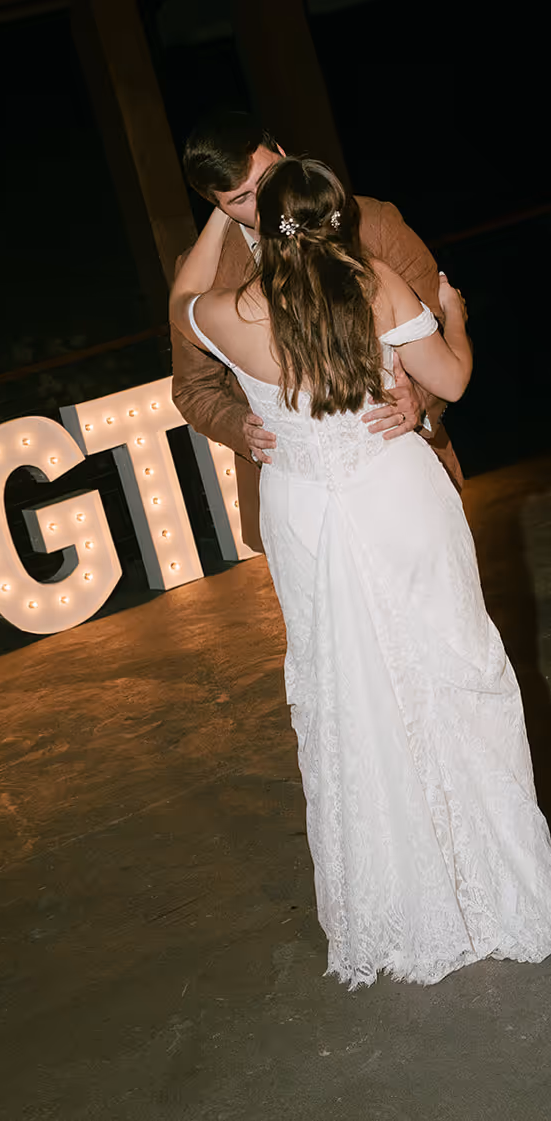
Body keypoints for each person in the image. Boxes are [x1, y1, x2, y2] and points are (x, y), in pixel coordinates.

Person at [170, 156, 551, 989]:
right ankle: (497, 882)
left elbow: (181, 299)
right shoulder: (375, 283)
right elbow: (453, 379)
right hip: (394, 491)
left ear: (263, 226)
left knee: (348, 689)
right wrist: (453, 319)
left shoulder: (228, 312)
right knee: (451, 668)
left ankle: (396, 902)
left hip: (304, 506)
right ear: (336, 216)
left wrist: (220, 213)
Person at [171, 110, 462, 553]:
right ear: (218, 205)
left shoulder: (372, 221)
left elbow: (433, 320)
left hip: (405, 476)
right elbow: (193, 388)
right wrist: (239, 427)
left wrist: (419, 399)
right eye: (241, 198)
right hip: (297, 507)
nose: (265, 202)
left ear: (283, 153)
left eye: (267, 178)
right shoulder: (201, 270)